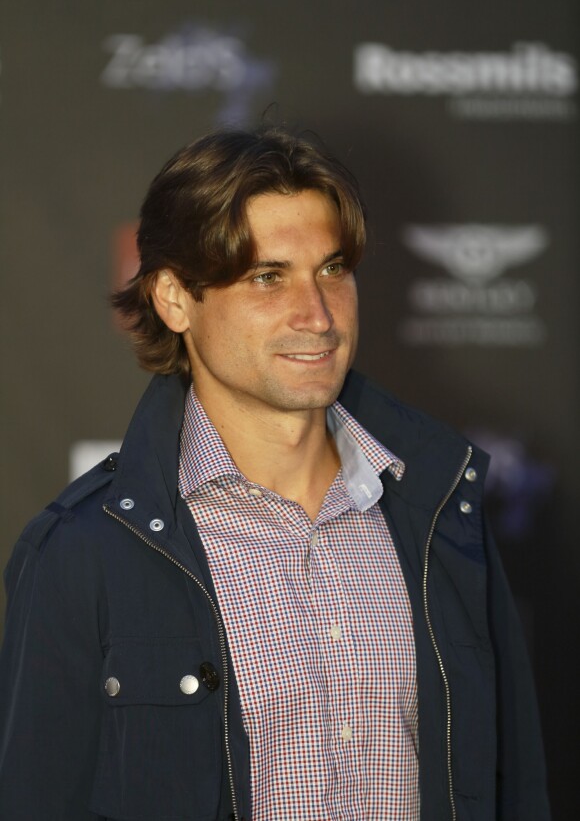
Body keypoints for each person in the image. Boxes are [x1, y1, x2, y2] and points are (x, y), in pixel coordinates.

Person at [0, 127, 550, 821]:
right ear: (174, 299)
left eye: (332, 269)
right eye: (268, 276)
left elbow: (517, 788)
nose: (316, 315)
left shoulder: (442, 514)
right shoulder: (82, 552)